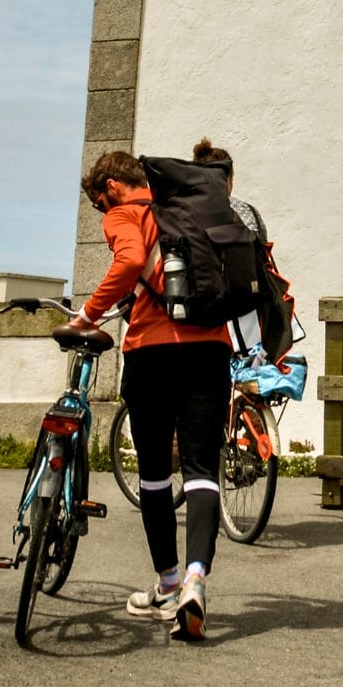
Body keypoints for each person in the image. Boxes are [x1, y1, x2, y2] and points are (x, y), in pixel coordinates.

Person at [62, 150, 229, 642]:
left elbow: (131, 259)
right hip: (210, 349)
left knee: (155, 475)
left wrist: (88, 315)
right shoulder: (184, 206)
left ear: (111, 186)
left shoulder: (125, 212)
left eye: (97, 203)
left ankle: (167, 584)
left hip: (153, 352)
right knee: (202, 470)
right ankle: (197, 581)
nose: (100, 215)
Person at [189, 139, 299, 398]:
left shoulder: (192, 212)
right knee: (249, 369)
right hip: (256, 307)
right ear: (229, 179)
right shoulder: (249, 210)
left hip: (215, 311)